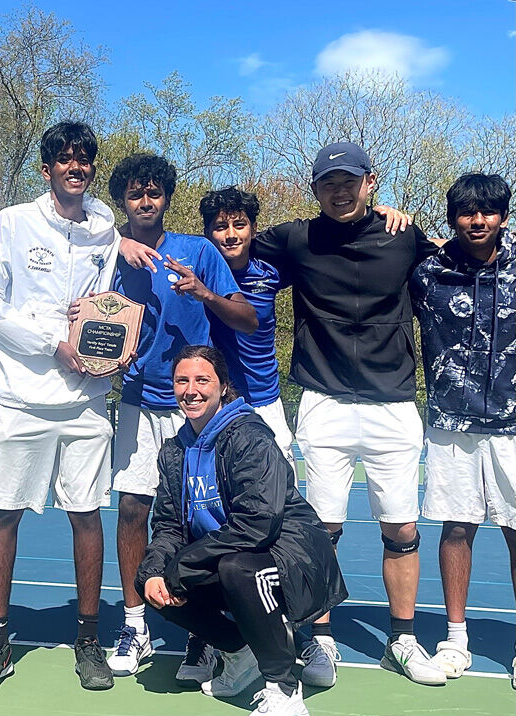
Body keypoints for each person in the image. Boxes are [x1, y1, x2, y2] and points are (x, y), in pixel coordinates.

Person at [251, 141, 445, 686]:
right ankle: (320, 639)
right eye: (328, 183)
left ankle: (402, 641)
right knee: (322, 530)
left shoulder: (403, 235)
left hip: (394, 405)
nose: (340, 191)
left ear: (370, 182)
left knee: (401, 528)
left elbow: (465, 256)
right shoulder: (296, 238)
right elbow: (224, 242)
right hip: (325, 404)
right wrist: (126, 239)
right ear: (315, 190)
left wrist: (414, 223)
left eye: (349, 181)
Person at [0, 121, 125, 692]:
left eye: (83, 159)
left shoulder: (106, 232)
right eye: (64, 159)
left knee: (87, 516)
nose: (74, 167)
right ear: (47, 169)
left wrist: (108, 337)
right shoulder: (12, 223)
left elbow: (110, 303)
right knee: (4, 514)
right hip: (20, 397)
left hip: (86, 399)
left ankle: (89, 642)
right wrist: (51, 343)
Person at [136, 345, 347, 716]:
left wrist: (186, 565)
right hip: (231, 556)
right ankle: (239, 651)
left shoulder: (249, 436)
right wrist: (154, 572)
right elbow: (167, 526)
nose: (191, 390)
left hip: (293, 558)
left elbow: (258, 523)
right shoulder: (175, 451)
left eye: (202, 380)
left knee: (238, 568)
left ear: (222, 387)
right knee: (152, 581)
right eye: (182, 381)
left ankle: (286, 690)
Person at [105, 154, 257, 678]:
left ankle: (203, 633)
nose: (145, 201)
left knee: (201, 519)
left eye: (154, 192)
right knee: (133, 510)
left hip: (195, 407)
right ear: (121, 201)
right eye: (134, 193)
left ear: (167, 197)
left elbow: (248, 318)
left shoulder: (198, 251)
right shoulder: (108, 254)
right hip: (135, 402)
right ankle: (135, 626)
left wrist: (204, 293)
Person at [410, 173, 516, 687]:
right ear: (453, 218)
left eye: (488, 211)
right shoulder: (427, 272)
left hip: (514, 427)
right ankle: (456, 640)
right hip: (452, 424)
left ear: (504, 216)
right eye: (467, 213)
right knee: (456, 529)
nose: (478, 221)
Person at [200, 187, 294, 462]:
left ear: (253, 229)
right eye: (220, 227)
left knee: (280, 483)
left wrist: (380, 214)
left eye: (239, 225)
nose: (231, 235)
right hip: (216, 403)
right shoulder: (197, 274)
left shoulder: (271, 272)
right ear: (207, 233)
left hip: (265, 400)